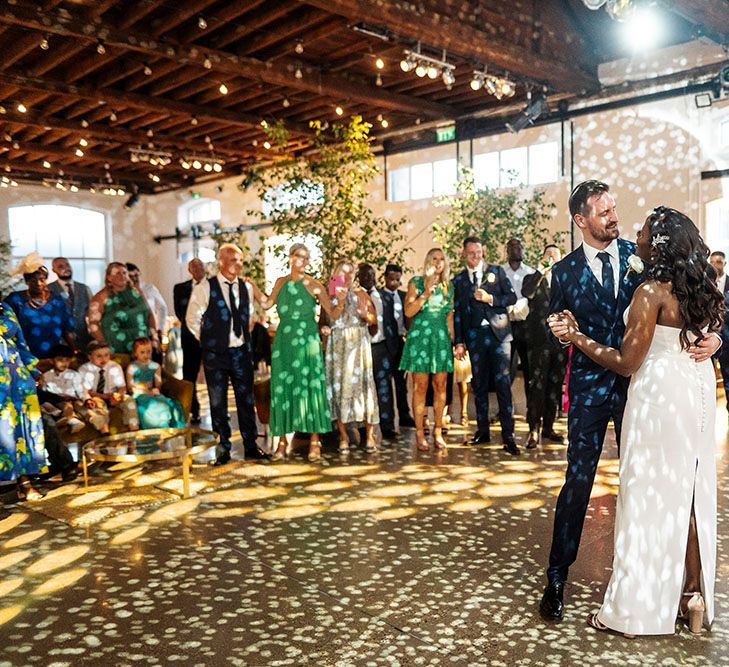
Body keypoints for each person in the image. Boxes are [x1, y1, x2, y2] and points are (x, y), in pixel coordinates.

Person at [538, 181, 721, 622]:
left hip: (642, 390)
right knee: (577, 483)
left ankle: (653, 583)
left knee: (652, 486)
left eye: (614, 208)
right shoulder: (562, 273)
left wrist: (717, 338)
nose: (613, 216)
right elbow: (555, 324)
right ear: (581, 220)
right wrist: (558, 327)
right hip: (588, 392)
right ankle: (557, 577)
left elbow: (696, 296)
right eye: (603, 211)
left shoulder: (641, 258)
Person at [248, 243, 344, 462]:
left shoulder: (315, 285)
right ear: (291, 258)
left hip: (307, 342)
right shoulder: (281, 282)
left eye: (307, 257)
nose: (305, 261)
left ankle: (314, 441)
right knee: (283, 389)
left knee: (310, 386)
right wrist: (252, 285)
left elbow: (333, 313)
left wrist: (343, 299)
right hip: (284, 342)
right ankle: (281, 442)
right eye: (301, 256)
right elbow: (266, 304)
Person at [186, 243, 267, 464]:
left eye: (241, 260)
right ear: (221, 261)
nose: (238, 264)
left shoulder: (246, 287)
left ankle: (251, 445)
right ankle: (223, 449)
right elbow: (192, 318)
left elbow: (248, 314)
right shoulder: (205, 287)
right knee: (218, 402)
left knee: (245, 400)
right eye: (233, 260)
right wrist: (207, 341)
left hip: (241, 352)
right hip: (216, 354)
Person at [453, 237, 518, 454]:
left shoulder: (497, 272)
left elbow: (511, 297)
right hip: (475, 338)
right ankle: (482, 432)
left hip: (499, 336)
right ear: (464, 254)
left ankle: (508, 436)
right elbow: (459, 314)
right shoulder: (459, 280)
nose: (476, 256)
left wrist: (491, 298)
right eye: (471, 252)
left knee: (502, 386)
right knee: (478, 386)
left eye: (479, 252)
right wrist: (459, 342)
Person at [400, 248, 454, 451]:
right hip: (420, 339)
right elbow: (409, 311)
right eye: (434, 258)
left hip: (440, 340)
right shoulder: (416, 282)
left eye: (441, 259)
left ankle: (438, 430)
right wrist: (425, 293)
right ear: (427, 261)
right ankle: (420, 433)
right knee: (419, 387)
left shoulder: (449, 286)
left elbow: (449, 316)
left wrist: (455, 342)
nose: (438, 262)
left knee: (441, 386)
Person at [323, 260, 380, 452]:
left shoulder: (360, 293)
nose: (346, 277)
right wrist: (323, 329)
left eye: (350, 273)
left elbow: (374, 321)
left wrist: (366, 315)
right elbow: (324, 322)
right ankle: (344, 436)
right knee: (339, 390)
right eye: (342, 273)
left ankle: (370, 436)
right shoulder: (329, 295)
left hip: (358, 347)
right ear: (335, 274)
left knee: (364, 388)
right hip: (338, 350)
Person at [0, 302, 48, 501]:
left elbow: (21, 343)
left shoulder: (5, 308)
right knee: (4, 431)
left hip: (18, 379)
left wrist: (33, 370)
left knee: (23, 431)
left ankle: (25, 482)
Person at [521, 245, 567, 448]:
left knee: (554, 386)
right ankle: (533, 429)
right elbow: (527, 293)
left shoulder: (565, 280)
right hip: (538, 340)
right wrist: (541, 271)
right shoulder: (533, 278)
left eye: (555, 257)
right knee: (536, 385)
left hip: (559, 341)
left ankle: (549, 427)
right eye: (548, 255)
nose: (552, 259)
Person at [4, 252, 75, 359]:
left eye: (42, 280)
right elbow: (4, 326)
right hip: (23, 357)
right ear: (27, 282)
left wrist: (74, 350)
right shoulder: (15, 300)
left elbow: (66, 329)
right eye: (33, 281)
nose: (38, 284)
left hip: (53, 357)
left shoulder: (56, 300)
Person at [88, 262, 158, 355]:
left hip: (141, 345)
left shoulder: (136, 291)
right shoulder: (101, 297)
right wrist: (104, 345)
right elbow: (93, 324)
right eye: (117, 273)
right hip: (116, 346)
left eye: (124, 273)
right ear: (109, 277)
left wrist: (155, 337)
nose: (122, 276)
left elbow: (149, 314)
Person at [38, 343, 101, 434]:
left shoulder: (74, 375)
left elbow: (81, 390)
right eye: (60, 360)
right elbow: (45, 392)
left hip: (73, 399)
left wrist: (87, 399)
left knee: (80, 405)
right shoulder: (46, 376)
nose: (64, 363)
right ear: (51, 361)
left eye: (67, 360)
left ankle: (93, 418)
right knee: (66, 406)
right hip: (58, 401)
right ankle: (72, 420)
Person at [78, 341, 139, 433]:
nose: (103, 359)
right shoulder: (84, 370)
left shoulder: (115, 367)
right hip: (97, 396)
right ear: (90, 357)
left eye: (106, 355)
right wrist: (102, 397)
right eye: (99, 356)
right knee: (97, 406)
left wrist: (118, 396)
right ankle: (105, 433)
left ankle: (134, 430)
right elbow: (85, 392)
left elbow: (122, 387)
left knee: (129, 400)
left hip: (113, 395)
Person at [126, 337, 185, 430]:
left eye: (149, 352)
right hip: (139, 394)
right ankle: (154, 428)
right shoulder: (132, 367)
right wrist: (142, 389)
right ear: (135, 353)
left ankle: (165, 425)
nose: (146, 355)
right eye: (142, 352)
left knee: (163, 401)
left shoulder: (155, 366)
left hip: (152, 392)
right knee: (148, 405)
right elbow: (130, 387)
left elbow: (158, 384)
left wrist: (155, 389)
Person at [173, 258, 206, 424]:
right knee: (189, 375)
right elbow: (180, 312)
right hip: (190, 338)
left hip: (212, 337)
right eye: (194, 266)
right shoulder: (180, 288)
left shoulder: (213, 285)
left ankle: (219, 410)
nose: (198, 269)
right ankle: (194, 410)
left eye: (200, 265)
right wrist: (194, 327)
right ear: (189, 270)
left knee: (216, 375)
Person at [503, 238, 536, 393]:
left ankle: (531, 410)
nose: (517, 250)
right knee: (506, 368)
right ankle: (506, 410)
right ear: (507, 251)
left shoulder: (531, 273)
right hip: (506, 325)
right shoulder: (500, 272)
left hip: (526, 325)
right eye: (513, 247)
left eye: (520, 247)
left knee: (529, 367)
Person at [48, 257, 93, 349]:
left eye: (67, 265)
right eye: (60, 266)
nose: (65, 268)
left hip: (84, 339)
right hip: (60, 341)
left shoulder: (84, 288)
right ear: (54, 270)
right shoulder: (48, 290)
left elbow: (92, 312)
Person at [709, 250, 729, 414]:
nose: (715, 265)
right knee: (707, 377)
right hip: (706, 340)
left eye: (719, 262)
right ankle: (708, 410)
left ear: (724, 264)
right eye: (713, 261)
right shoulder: (702, 283)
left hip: (727, 341)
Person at [126, 262, 169, 338]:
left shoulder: (150, 288)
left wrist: (160, 328)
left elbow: (162, 308)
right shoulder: (123, 292)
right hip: (130, 332)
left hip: (149, 330)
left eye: (136, 275)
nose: (134, 279)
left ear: (140, 274)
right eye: (130, 276)